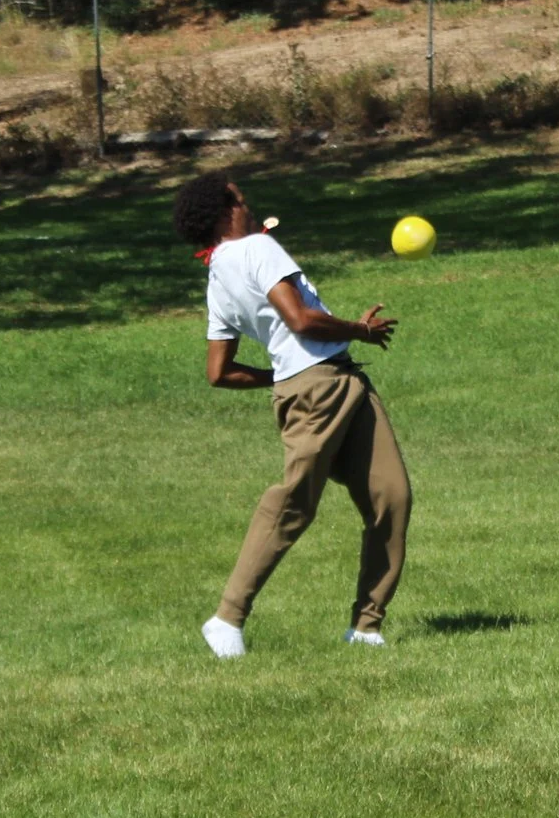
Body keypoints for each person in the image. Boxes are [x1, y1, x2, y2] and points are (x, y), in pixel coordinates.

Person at [173, 173, 409, 658]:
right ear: (224, 213)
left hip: (338, 382)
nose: (248, 204)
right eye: (239, 199)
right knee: (294, 504)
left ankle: (366, 627)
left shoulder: (217, 274)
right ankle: (227, 618)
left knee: (392, 497)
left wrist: (281, 376)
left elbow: (219, 372)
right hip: (319, 392)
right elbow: (300, 319)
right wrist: (360, 330)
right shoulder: (257, 249)